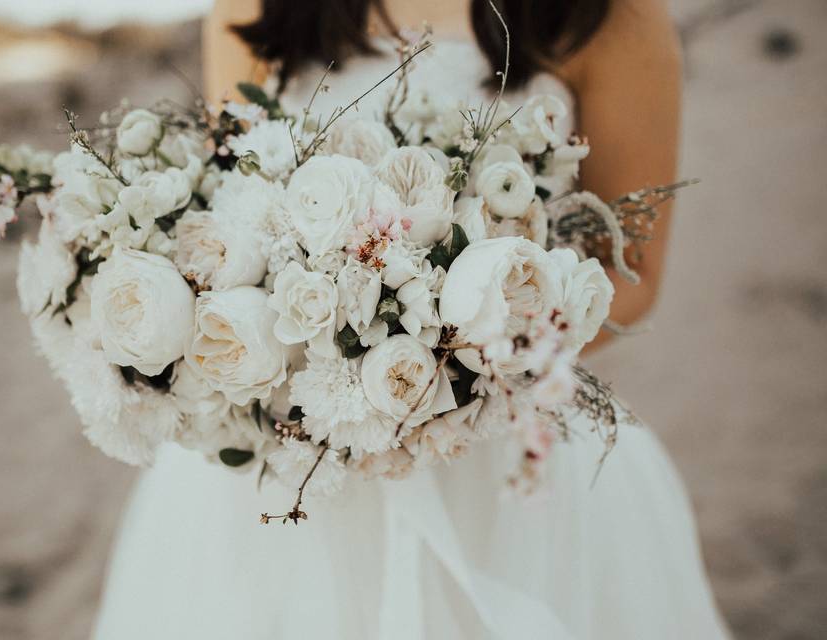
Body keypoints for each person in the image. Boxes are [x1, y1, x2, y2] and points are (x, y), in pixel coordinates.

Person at [92, 1, 732, 637]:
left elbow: (632, 275)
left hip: (503, 447)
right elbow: (231, 213)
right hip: (297, 450)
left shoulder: (607, 15)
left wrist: (457, 359)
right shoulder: (257, 7)